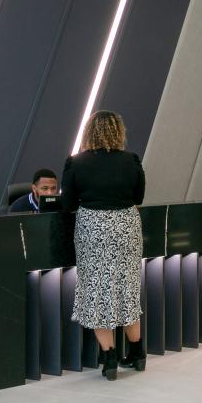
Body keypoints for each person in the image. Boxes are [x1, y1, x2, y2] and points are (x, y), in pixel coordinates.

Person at [60, 111, 147, 381]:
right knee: (127, 286)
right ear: (118, 131)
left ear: (89, 132)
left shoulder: (76, 163)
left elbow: (68, 205)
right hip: (126, 226)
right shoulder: (131, 160)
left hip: (92, 228)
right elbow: (139, 197)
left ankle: (109, 359)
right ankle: (137, 354)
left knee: (96, 288)